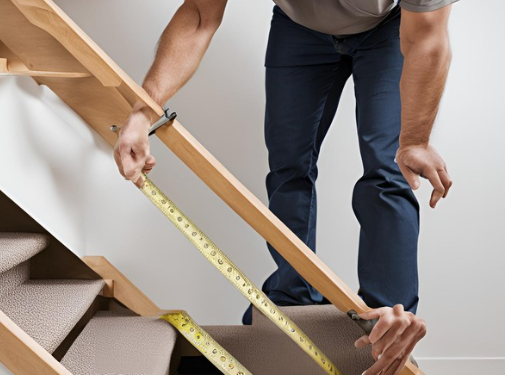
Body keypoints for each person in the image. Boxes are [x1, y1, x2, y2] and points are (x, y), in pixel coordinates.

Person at [113, 1, 456, 374]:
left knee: (390, 170)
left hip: (389, 32)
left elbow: (426, 38)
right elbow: (198, 14)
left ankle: (390, 318)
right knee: (289, 169)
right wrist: (143, 112)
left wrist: (416, 141)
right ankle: (293, 300)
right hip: (298, 30)